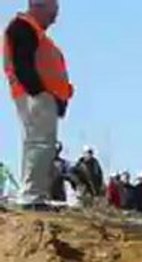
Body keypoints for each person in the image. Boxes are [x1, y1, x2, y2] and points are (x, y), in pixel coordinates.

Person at [3, 0, 72, 210]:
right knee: (39, 144)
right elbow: (21, 63)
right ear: (38, 6)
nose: (55, 17)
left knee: (40, 144)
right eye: (53, 11)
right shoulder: (23, 27)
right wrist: (38, 92)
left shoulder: (36, 33)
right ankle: (32, 196)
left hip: (42, 96)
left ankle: (35, 194)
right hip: (36, 96)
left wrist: (58, 99)